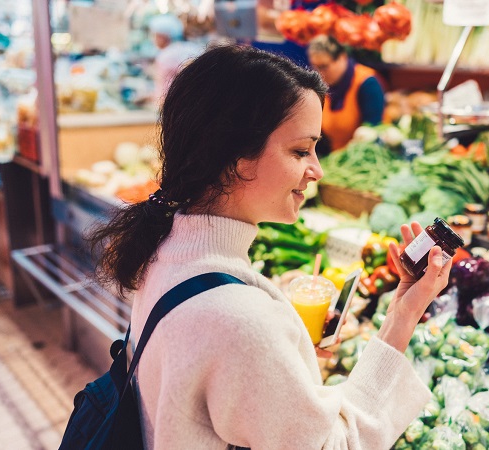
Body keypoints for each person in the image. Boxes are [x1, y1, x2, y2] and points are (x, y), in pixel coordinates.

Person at [89, 44, 451, 449]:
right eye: (300, 151)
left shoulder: (165, 248)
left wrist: (285, 364)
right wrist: (405, 313)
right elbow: (339, 445)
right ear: (236, 157)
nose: (318, 170)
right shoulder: (241, 320)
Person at [307, 35, 386, 153]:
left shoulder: (367, 84)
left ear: (342, 57)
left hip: (360, 158)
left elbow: (372, 131)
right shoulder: (324, 86)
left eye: (324, 66)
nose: (320, 73)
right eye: (316, 67)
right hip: (333, 158)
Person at [147, 13, 203, 105]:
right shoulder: (192, 48)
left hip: (173, 105)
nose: (154, 40)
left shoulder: (165, 56)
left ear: (163, 37)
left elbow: (164, 90)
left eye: (155, 36)